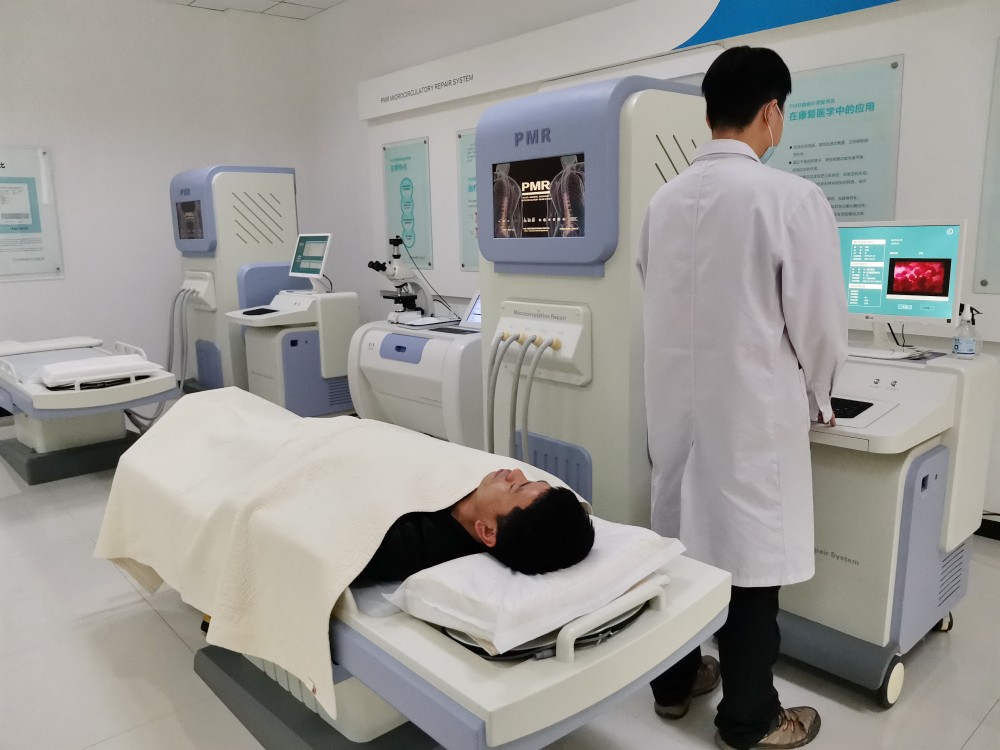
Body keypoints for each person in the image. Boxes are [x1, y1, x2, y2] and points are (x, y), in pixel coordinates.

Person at [635, 46, 847, 750]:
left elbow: (657, 294)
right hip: (752, 415)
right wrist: (822, 393)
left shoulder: (663, 202)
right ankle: (751, 719)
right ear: (771, 112)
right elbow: (820, 323)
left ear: (708, 114)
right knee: (750, 567)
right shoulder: (790, 198)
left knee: (682, 550)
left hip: (676, 412)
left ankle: (673, 687)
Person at [359, 467, 595, 582]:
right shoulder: (472, 479)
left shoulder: (396, 544)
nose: (516, 471)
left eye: (517, 486)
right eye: (531, 480)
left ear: (488, 531)